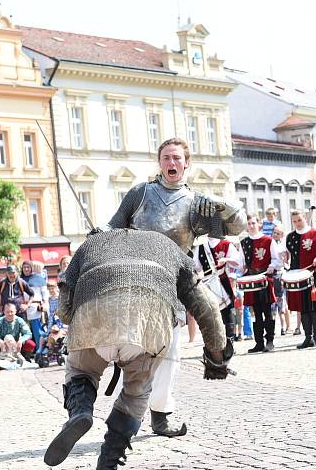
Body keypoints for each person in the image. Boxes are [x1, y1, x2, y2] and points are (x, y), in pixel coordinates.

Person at [43, 229, 232, 470]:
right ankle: (109, 464)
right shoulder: (169, 247)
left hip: (95, 315)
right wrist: (217, 357)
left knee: (81, 371)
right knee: (136, 391)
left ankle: (81, 411)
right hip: (149, 323)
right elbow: (206, 306)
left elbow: (65, 312)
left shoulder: (93, 243)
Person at [101, 137, 246, 437]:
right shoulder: (140, 193)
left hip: (178, 276)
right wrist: (98, 233)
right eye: (167, 157)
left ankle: (214, 363)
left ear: (186, 163)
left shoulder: (195, 203)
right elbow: (113, 225)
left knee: (189, 332)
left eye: (177, 158)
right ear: (159, 162)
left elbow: (237, 227)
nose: (172, 163)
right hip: (138, 273)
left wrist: (223, 206)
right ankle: (118, 401)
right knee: (138, 348)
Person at [278, 210, 316, 349]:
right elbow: (284, 251)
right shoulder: (290, 237)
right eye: (295, 221)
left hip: (312, 274)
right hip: (297, 275)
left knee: (315, 307)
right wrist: (285, 256)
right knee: (303, 308)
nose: (297, 223)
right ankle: (308, 337)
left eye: (299, 220)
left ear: (305, 219)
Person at [238, 214, 284, 353]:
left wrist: (272, 266)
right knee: (256, 312)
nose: (251, 226)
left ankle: (270, 341)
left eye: (253, 223)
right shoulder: (244, 242)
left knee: (267, 311)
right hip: (251, 279)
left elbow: (277, 260)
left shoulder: (268, 240)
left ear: (259, 224)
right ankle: (259, 342)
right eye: (249, 223)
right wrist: (241, 267)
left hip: (265, 278)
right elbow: (241, 262)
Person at [193, 236, 240, 341]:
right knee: (212, 314)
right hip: (208, 283)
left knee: (227, 312)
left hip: (223, 280)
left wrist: (226, 259)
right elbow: (196, 266)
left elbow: (238, 261)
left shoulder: (226, 244)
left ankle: (230, 341)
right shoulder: (201, 246)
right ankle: (216, 342)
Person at [270, 226, 291, 335]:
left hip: (281, 274)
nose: (275, 235)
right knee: (274, 303)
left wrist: (284, 259)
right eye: (274, 233)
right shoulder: (270, 244)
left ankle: (286, 326)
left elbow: (287, 261)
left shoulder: (284, 246)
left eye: (278, 233)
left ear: (282, 236)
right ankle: (279, 326)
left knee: (282, 302)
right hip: (272, 275)